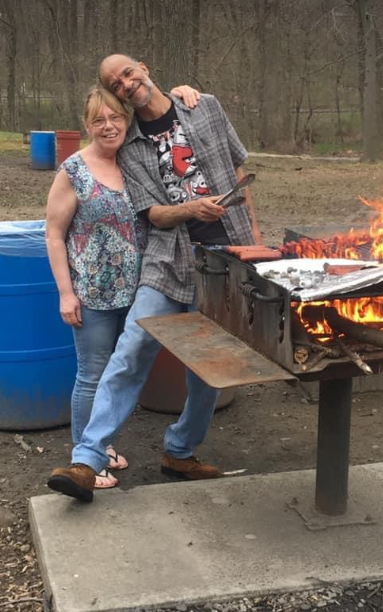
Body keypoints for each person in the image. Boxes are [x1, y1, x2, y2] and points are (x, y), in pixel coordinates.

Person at [47, 54, 259, 502]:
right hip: (167, 262)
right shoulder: (131, 146)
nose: (125, 84)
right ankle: (87, 458)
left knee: (210, 367)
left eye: (127, 73)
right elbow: (154, 215)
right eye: (114, 83)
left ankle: (180, 451)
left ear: (142, 67)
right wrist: (190, 209)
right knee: (132, 349)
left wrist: (255, 246)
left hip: (226, 258)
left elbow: (241, 175)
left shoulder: (206, 107)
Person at [46, 83, 199, 490]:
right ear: (87, 126)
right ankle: (86, 459)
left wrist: (181, 90)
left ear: (126, 120)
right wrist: (66, 292)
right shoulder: (73, 171)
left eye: (115, 117)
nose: (109, 126)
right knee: (93, 374)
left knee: (123, 368)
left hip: (140, 289)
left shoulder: (137, 162)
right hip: (92, 293)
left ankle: (104, 447)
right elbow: (53, 233)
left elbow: (166, 118)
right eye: (99, 120)